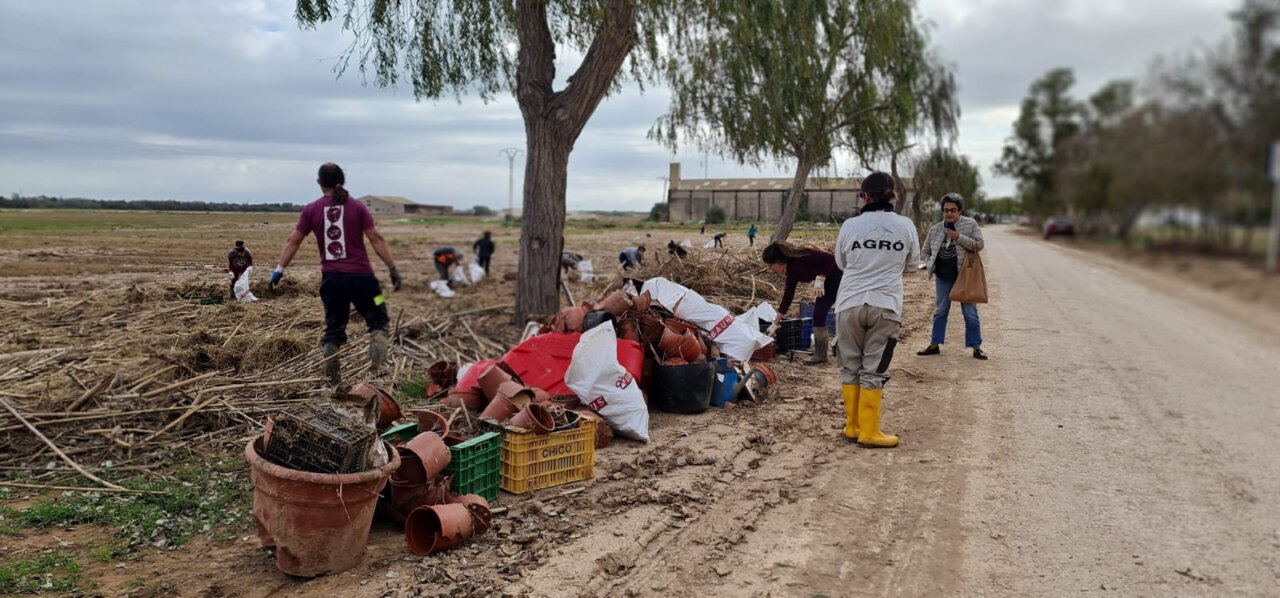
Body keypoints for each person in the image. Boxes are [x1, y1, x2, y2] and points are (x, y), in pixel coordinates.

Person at [269, 162, 401, 383]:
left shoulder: (311, 210)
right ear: (342, 181)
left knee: (333, 330)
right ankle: (378, 376)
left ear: (319, 183)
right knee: (378, 320)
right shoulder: (358, 208)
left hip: (332, 282)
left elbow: (293, 241)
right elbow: (376, 239)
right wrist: (393, 269)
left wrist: (278, 270)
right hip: (364, 282)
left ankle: (333, 384)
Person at [832, 172, 919, 448]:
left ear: (864, 196)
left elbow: (841, 262)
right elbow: (912, 265)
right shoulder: (905, 226)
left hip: (848, 304)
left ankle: (852, 426)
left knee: (850, 368)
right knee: (873, 369)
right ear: (893, 196)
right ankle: (870, 431)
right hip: (886, 305)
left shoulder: (849, 226)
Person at [917, 193, 987, 359]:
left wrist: (958, 237)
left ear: (960, 211)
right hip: (943, 276)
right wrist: (929, 263)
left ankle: (976, 347)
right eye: (946, 210)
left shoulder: (970, 225)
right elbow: (925, 251)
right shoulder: (935, 229)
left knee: (970, 313)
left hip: (965, 276)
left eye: (953, 210)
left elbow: (980, 245)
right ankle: (934, 345)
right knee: (941, 311)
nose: (949, 213)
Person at [762, 241, 841, 365]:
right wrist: (775, 323)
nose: (771, 269)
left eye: (770, 265)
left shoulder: (805, 255)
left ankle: (847, 349)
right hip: (826, 287)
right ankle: (820, 355)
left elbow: (831, 258)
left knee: (846, 313)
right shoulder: (792, 273)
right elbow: (787, 298)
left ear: (778, 261)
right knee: (818, 315)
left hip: (841, 279)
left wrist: (821, 277)